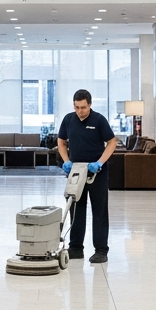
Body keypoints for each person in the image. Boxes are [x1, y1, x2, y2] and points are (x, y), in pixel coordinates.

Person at [56, 89, 118, 264]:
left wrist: (100, 162)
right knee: (76, 209)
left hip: (96, 171)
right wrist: (66, 161)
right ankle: (76, 248)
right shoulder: (68, 119)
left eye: (83, 107)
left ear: (90, 105)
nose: (80, 111)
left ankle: (101, 250)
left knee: (99, 211)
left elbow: (112, 141)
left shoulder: (98, 120)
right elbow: (61, 141)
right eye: (77, 107)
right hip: (76, 171)